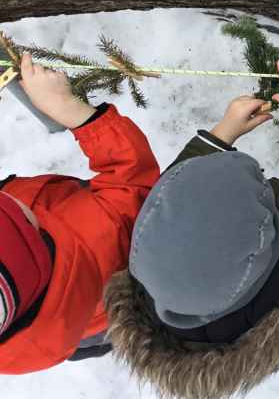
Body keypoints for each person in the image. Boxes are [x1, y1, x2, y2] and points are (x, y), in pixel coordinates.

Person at [104, 55, 279, 399]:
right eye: (259, 182)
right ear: (261, 234)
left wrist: (223, 132)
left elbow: (178, 190)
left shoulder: (155, 252)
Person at [0, 54, 159, 373]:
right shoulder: (95, 238)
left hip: (66, 332)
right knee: (118, 315)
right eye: (21, 218)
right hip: (105, 296)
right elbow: (131, 179)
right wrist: (70, 110)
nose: (14, 201)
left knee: (89, 332)